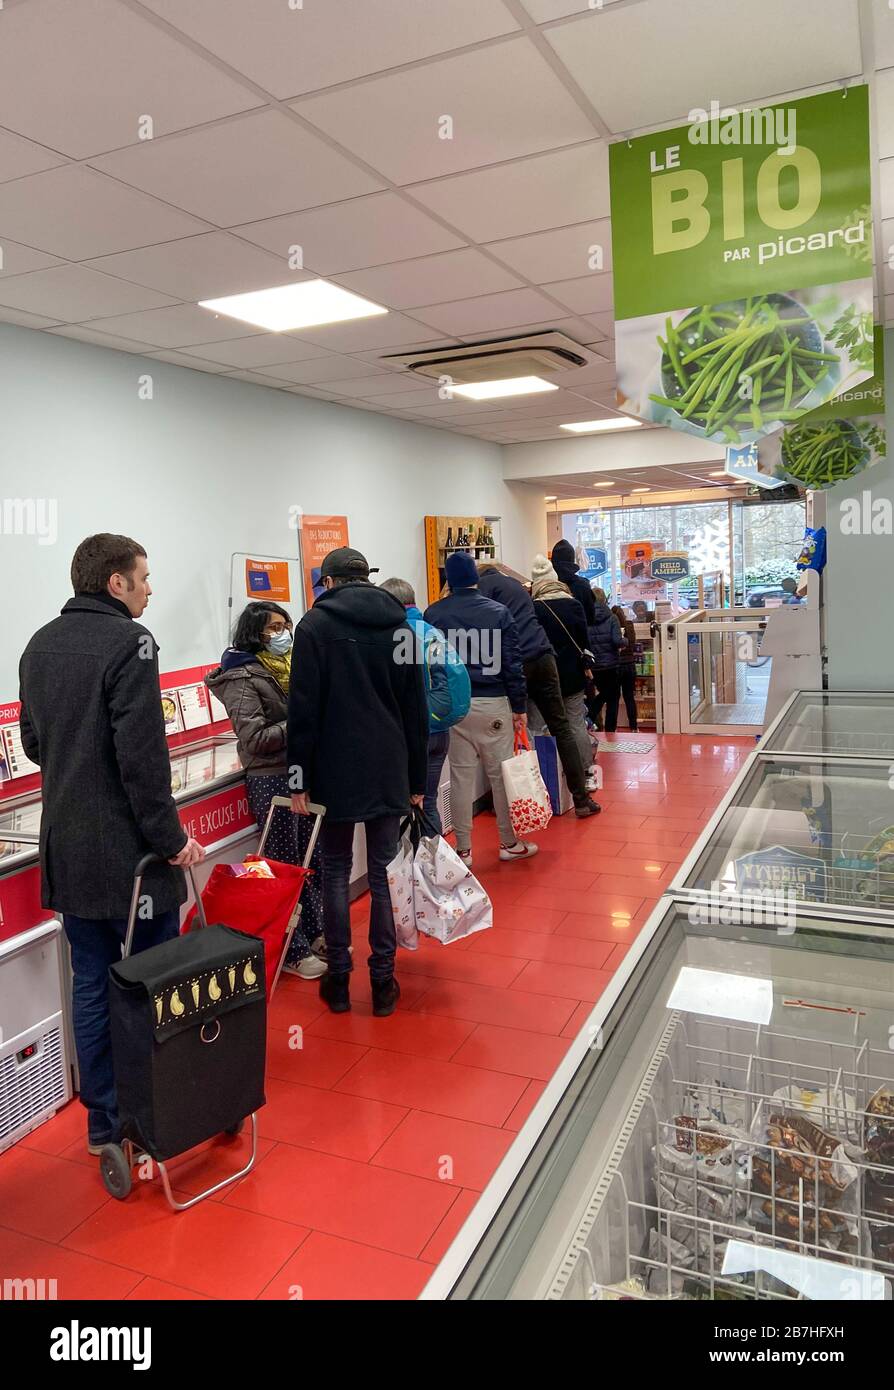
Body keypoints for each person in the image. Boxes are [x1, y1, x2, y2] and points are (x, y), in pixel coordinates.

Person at [18, 533, 205, 1155]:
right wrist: (172, 839)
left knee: (92, 980)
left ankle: (104, 1121)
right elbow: (142, 762)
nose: (151, 587)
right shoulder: (133, 644)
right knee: (153, 976)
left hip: (66, 846)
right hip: (131, 857)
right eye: (144, 577)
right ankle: (156, 1107)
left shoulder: (38, 644)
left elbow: (35, 748)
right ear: (115, 583)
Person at [287, 548, 428, 1018]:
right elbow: (415, 711)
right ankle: (384, 982)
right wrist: (416, 780)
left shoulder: (313, 628)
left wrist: (298, 779)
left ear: (327, 581)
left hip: (334, 770)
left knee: (334, 870)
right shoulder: (401, 627)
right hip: (389, 765)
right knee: (385, 874)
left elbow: (303, 713)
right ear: (364, 578)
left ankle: (341, 981)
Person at [206, 601, 326, 981]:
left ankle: (314, 931)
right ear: (256, 633)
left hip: (302, 771)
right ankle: (291, 950)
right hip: (270, 777)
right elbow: (255, 738)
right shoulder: (240, 677)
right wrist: (303, 720)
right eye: (275, 627)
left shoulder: (291, 666)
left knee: (310, 862)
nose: (284, 632)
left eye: (286, 624)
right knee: (280, 865)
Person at [425, 552, 538, 867]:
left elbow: (429, 663)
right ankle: (508, 842)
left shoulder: (433, 614)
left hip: (453, 705)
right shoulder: (499, 613)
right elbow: (512, 663)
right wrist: (519, 706)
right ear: (475, 578)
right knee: (500, 775)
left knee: (461, 776)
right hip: (493, 701)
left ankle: (463, 849)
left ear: (448, 579)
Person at [477, 560, 599, 816]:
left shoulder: (482, 591)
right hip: (545, 659)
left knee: (527, 728)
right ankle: (581, 799)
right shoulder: (518, 587)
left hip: (517, 663)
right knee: (564, 728)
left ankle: (534, 797)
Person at [379, 577, 470, 834]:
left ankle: (410, 872)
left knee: (403, 807)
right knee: (428, 803)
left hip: (414, 733)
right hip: (440, 729)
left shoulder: (399, 634)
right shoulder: (430, 630)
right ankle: (436, 869)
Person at [531, 556, 598, 793]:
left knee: (539, 727)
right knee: (575, 725)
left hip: (543, 678)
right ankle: (587, 774)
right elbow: (585, 642)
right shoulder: (573, 604)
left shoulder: (534, 607)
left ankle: (542, 781)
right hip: (572, 676)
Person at [587, 588, 624, 733]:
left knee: (602, 694)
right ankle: (610, 731)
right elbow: (617, 641)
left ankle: (590, 718)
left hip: (595, 666)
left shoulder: (587, 617)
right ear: (604, 600)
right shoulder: (612, 617)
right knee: (612, 699)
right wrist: (625, 640)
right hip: (611, 665)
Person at [550, 539, 597, 628]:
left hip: (549, 640)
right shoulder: (583, 586)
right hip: (578, 639)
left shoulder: (545, 587)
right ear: (572, 560)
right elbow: (591, 619)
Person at [612, 604, 639, 732]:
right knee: (629, 698)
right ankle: (634, 727)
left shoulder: (611, 625)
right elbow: (633, 642)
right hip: (629, 665)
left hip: (616, 665)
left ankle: (613, 727)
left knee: (614, 698)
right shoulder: (629, 625)